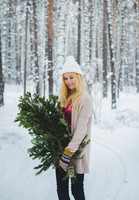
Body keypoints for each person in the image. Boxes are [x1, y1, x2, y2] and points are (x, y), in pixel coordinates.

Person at [55, 56, 92, 200]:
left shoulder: (85, 99)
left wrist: (68, 153)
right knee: (62, 192)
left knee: (76, 191)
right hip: (60, 150)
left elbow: (81, 130)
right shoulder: (64, 98)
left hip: (74, 154)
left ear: (78, 77)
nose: (68, 81)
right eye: (65, 78)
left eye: (71, 77)